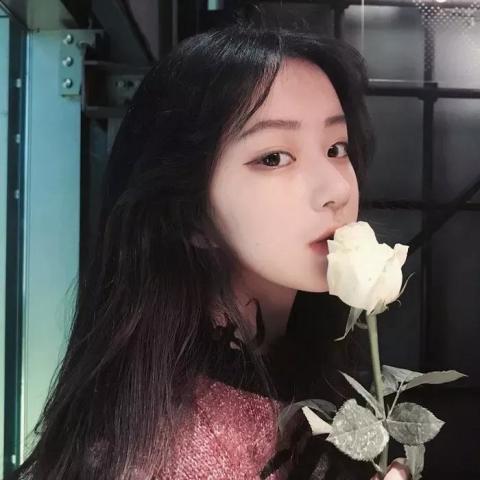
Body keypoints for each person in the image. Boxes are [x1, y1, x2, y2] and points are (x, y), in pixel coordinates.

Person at [7, 22, 411, 480]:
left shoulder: (300, 364)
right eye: (274, 157)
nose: (336, 189)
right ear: (189, 212)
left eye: (337, 148)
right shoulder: (170, 450)